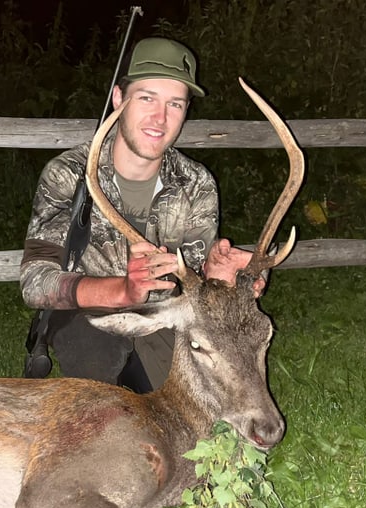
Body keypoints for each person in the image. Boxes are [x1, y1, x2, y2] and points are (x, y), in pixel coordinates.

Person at [20, 37, 259, 391]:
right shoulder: (69, 174)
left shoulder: (197, 184)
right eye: (147, 98)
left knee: (202, 415)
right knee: (104, 398)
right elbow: (35, 282)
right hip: (90, 320)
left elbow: (193, 284)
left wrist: (225, 280)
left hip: (165, 319)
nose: (160, 118)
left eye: (175, 104)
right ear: (119, 99)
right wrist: (124, 291)